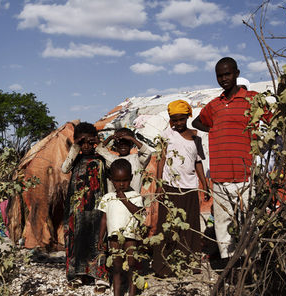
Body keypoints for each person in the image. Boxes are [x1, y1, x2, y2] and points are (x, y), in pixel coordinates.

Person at [192, 57, 268, 261]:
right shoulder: (214, 105)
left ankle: (253, 263)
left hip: (245, 173)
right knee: (223, 223)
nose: (223, 78)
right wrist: (214, 129)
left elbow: (273, 120)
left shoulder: (252, 99)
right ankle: (230, 264)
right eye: (219, 75)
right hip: (219, 175)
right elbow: (197, 121)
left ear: (236, 73)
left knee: (249, 222)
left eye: (227, 74)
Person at [152, 100, 210, 276]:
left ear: (187, 117)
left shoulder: (196, 136)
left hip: (190, 188)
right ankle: (164, 267)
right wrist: (159, 184)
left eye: (181, 119)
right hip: (170, 187)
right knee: (168, 226)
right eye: (174, 120)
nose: (177, 123)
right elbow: (160, 160)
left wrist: (205, 185)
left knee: (189, 226)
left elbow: (198, 162)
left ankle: (188, 265)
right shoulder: (165, 135)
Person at [61, 122, 109, 288]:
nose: (87, 146)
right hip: (76, 209)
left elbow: (115, 163)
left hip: (97, 208)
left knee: (98, 238)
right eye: (83, 142)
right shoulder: (75, 160)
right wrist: (74, 148)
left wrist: (100, 146)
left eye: (90, 142)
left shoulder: (101, 159)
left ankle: (100, 276)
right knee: (77, 239)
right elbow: (64, 168)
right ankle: (79, 275)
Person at [97, 159, 144, 296]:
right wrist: (101, 237)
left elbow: (137, 212)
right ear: (111, 180)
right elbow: (104, 218)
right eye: (117, 181)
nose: (121, 184)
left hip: (130, 237)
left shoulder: (135, 195)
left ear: (131, 178)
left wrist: (124, 199)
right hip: (114, 238)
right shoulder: (107, 197)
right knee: (116, 267)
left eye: (124, 180)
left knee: (131, 266)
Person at [96, 127, 152, 193]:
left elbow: (147, 152)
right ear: (115, 144)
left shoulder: (137, 160)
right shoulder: (112, 159)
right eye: (119, 142)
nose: (123, 145)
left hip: (133, 200)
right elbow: (99, 149)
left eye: (126, 142)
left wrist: (131, 139)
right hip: (114, 200)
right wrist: (110, 138)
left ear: (131, 143)